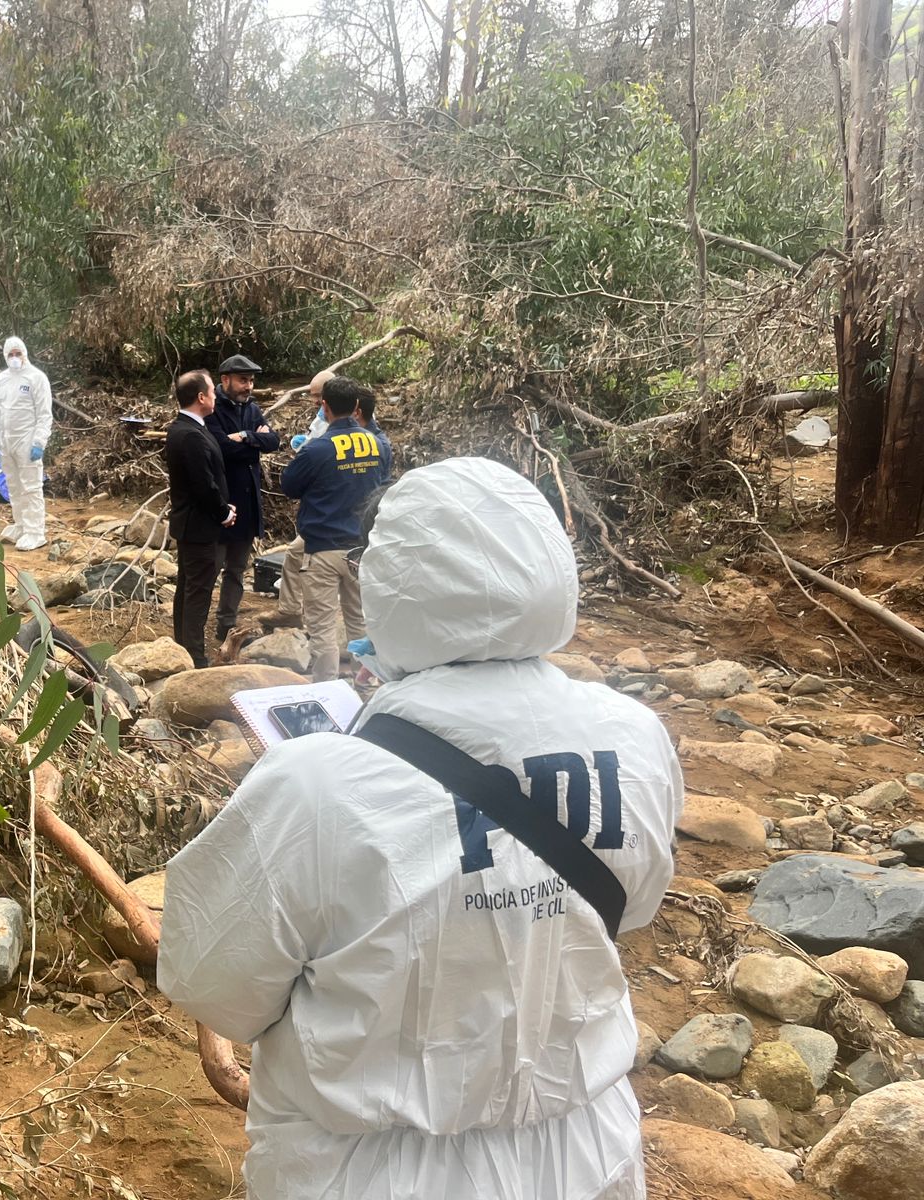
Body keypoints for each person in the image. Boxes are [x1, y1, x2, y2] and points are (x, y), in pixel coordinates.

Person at [159, 456, 683, 1200]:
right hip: (587, 1153)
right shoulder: (636, 736)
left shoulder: (314, 782)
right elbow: (634, 906)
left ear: (393, 585)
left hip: (368, 1170)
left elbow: (212, 982)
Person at [279, 377, 384, 681]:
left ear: (324, 406)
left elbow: (289, 486)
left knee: (322, 628)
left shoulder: (317, 449)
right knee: (360, 623)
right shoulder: (378, 444)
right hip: (360, 550)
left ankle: (324, 694)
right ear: (355, 407)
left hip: (322, 548)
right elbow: (382, 487)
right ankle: (366, 692)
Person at [165, 370, 237, 668]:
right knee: (197, 592)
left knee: (188, 587)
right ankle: (193, 655)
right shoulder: (190, 435)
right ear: (201, 397)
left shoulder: (189, 428)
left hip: (193, 523)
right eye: (212, 391)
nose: (216, 395)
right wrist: (223, 512)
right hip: (199, 525)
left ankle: (184, 646)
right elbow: (202, 484)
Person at [206, 354, 279, 639]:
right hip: (221, 503)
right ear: (225, 380)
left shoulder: (252, 409)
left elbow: (273, 441)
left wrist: (246, 436)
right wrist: (253, 442)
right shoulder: (212, 410)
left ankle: (226, 625)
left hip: (248, 505)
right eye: (242, 380)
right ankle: (193, 627)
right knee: (209, 569)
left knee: (236, 570)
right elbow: (220, 448)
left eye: (251, 380)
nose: (248, 386)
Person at [273, 368, 336, 628]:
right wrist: (305, 444)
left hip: (331, 508)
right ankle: (289, 610)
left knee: (322, 568)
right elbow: (314, 441)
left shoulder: (351, 421)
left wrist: (307, 453)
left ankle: (320, 628)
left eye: (318, 397)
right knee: (296, 553)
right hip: (321, 506)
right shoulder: (324, 414)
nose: (315, 402)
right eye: (312, 397)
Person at [0, 336, 54, 551]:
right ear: (5, 356)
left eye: (18, 353)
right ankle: (20, 525)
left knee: (31, 487)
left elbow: (45, 414)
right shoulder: (1, 380)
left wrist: (39, 441)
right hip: (7, 442)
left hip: (27, 441)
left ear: (25, 353)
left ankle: (35, 532)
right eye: (10, 354)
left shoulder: (36, 378)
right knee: (13, 486)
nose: (15, 357)